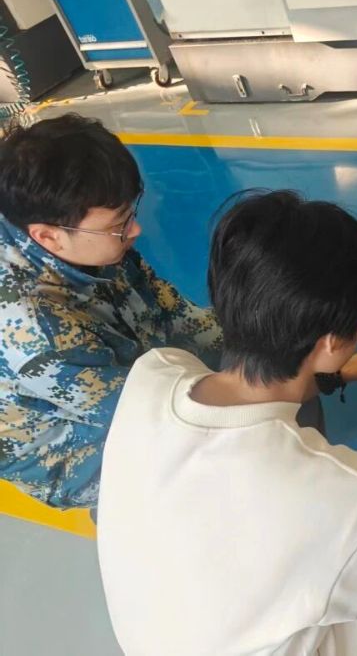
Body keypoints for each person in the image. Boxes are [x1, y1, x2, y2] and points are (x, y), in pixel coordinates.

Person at [96, 190, 357, 656]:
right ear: (329, 344)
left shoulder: (155, 373)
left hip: (154, 638)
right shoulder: (347, 493)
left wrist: (337, 370)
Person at [0, 114, 221, 508]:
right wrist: (273, 382)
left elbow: (171, 310)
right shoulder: (36, 333)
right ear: (49, 237)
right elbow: (155, 413)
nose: (134, 230)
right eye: (120, 225)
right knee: (210, 460)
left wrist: (269, 338)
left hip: (109, 368)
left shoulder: (84, 238)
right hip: (68, 449)